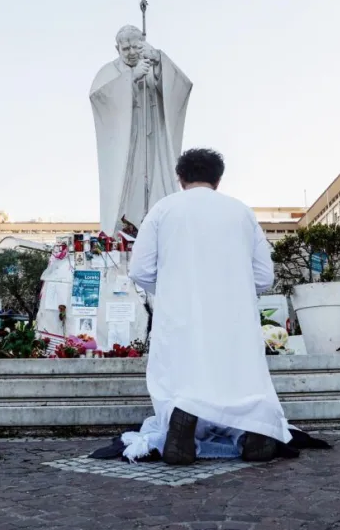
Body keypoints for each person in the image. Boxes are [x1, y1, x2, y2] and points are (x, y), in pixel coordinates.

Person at [128, 148, 290, 465]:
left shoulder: (163, 209)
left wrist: (171, 290)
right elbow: (264, 275)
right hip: (234, 314)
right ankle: (253, 428)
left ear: (180, 177)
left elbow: (139, 270)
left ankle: (183, 417)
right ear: (218, 179)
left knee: (185, 371)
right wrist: (239, 290)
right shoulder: (241, 212)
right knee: (238, 372)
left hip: (181, 312)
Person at [89, 25, 193, 236]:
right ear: (117, 48)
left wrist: (159, 63)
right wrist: (131, 79)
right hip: (126, 142)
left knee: (157, 177)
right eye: (125, 48)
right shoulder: (109, 72)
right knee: (127, 184)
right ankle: (125, 226)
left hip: (154, 139)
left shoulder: (152, 63)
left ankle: (157, 222)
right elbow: (99, 98)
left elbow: (181, 87)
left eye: (136, 47)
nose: (131, 52)